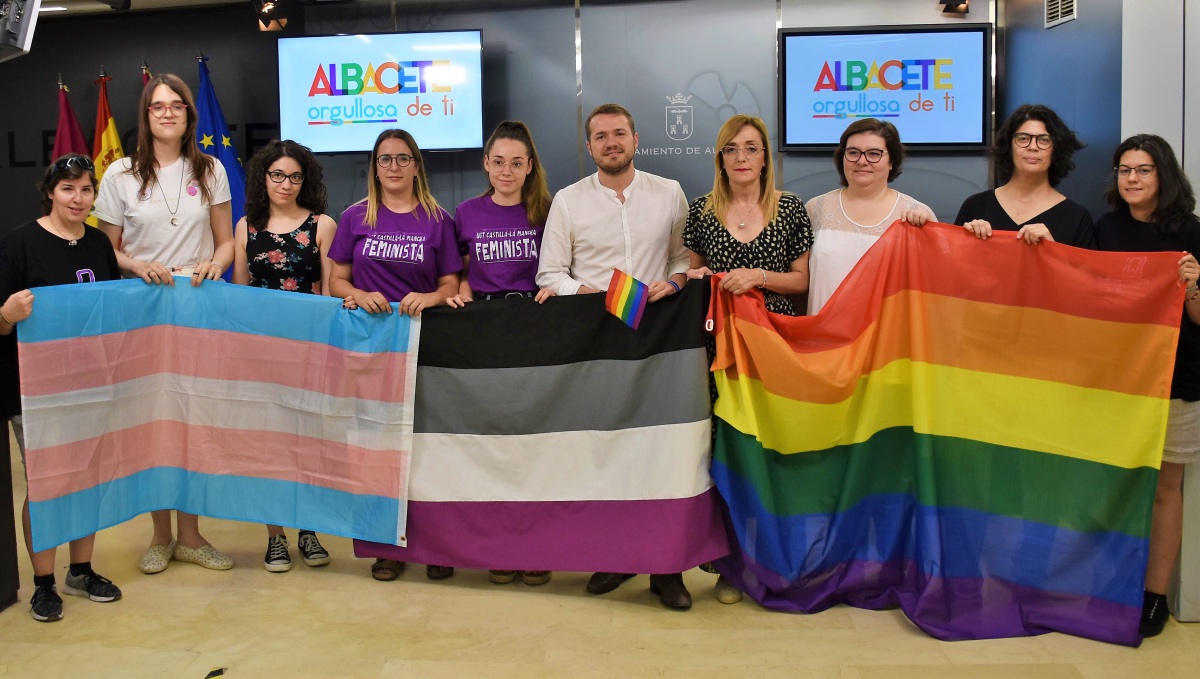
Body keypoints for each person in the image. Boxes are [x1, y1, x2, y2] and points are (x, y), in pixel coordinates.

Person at [535, 103, 693, 609]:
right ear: (589, 146)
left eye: (619, 133)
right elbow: (550, 274)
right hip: (597, 344)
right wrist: (595, 297)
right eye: (600, 136)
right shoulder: (568, 200)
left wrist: (674, 280)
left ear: (636, 138)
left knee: (664, 453)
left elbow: (681, 257)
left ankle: (667, 570)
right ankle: (616, 557)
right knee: (607, 452)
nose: (611, 142)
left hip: (659, 340)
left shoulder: (668, 193)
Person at [94, 73, 235, 574]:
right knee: (153, 421)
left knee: (192, 421)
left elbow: (226, 241)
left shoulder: (211, 168)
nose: (168, 113)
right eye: (158, 106)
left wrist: (216, 264)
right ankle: (159, 536)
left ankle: (192, 536)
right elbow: (104, 249)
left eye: (177, 105)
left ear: (189, 115)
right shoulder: (120, 176)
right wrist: (136, 265)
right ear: (146, 115)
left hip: (197, 306)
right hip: (144, 309)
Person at [682, 114, 814, 604]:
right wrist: (699, 279)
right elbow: (691, 276)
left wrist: (757, 275)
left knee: (767, 452)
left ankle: (771, 558)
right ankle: (728, 567)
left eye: (751, 148)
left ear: (765, 158)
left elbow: (801, 282)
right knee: (725, 454)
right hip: (718, 354)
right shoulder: (700, 211)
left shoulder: (790, 210)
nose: (741, 157)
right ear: (720, 158)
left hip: (773, 350)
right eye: (731, 149)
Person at [327, 128, 462, 583]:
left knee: (431, 447)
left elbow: (451, 286)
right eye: (385, 160)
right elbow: (336, 282)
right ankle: (386, 546)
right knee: (378, 451)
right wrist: (359, 294)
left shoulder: (438, 219)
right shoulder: (354, 217)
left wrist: (430, 296)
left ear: (417, 165)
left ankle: (438, 545)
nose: (394, 167)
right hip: (371, 351)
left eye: (403, 159)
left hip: (428, 345)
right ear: (375, 167)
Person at [0, 154, 123, 621]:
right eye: (68, 188)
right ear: (50, 191)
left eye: (86, 189)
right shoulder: (19, 244)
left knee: (87, 477)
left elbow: (111, 312)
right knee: (47, 483)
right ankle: (43, 582)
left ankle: (82, 569)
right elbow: (0, 320)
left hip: (91, 384)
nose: (78, 198)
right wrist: (7, 316)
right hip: (35, 390)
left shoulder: (97, 244)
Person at [1094, 134, 1200, 638]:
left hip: (1177, 378)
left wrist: (1194, 285)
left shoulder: (1191, 232)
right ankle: (1108, 581)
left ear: (1164, 176)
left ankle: (1155, 595)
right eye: (1124, 169)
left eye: (1143, 170)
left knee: (1166, 487)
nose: (1132, 179)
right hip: (1116, 379)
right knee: (1113, 481)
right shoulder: (1105, 229)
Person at [448, 121, 555, 586]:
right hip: (486, 330)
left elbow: (561, 270)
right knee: (492, 441)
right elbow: (462, 272)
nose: (506, 171)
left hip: (534, 329)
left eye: (516, 162)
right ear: (485, 165)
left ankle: (535, 546)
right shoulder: (466, 213)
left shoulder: (549, 211)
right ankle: (500, 545)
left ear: (530, 167)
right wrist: (463, 295)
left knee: (534, 442)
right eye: (498, 162)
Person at [231, 139, 337, 573]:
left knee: (307, 440)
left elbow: (330, 290)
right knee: (269, 445)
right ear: (263, 178)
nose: (286, 183)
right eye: (277, 175)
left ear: (304, 180)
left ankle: (308, 529)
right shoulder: (246, 226)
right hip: (259, 352)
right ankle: (275, 537)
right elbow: (238, 294)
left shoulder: (322, 225)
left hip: (309, 348)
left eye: (295, 176)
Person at [805, 118, 934, 315]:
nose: (862, 161)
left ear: (892, 161)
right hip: (823, 338)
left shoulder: (917, 214)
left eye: (874, 154)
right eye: (853, 152)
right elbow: (799, 279)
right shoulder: (816, 208)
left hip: (886, 339)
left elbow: (936, 284)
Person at [955, 103, 1095, 248]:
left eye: (1044, 140)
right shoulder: (976, 207)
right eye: (1023, 138)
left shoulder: (1076, 218)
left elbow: (1086, 271)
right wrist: (966, 243)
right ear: (1009, 146)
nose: (1033, 147)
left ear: (1056, 150)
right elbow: (950, 265)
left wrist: (1054, 250)